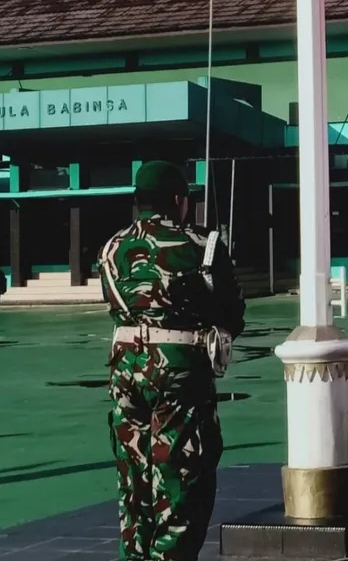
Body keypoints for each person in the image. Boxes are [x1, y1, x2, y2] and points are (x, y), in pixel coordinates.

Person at [99, 160, 245, 561]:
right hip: (179, 373)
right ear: (180, 200)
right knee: (183, 481)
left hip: (125, 373)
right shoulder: (203, 245)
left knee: (135, 481)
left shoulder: (112, 249)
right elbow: (232, 314)